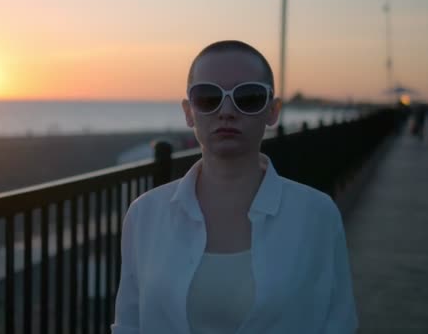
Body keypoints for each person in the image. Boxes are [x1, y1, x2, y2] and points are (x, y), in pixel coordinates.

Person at [111, 40, 358, 333]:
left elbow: (339, 323)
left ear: (273, 111)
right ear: (189, 111)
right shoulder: (144, 215)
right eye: (207, 97)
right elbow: (129, 324)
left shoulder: (317, 214)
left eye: (249, 97)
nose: (226, 110)